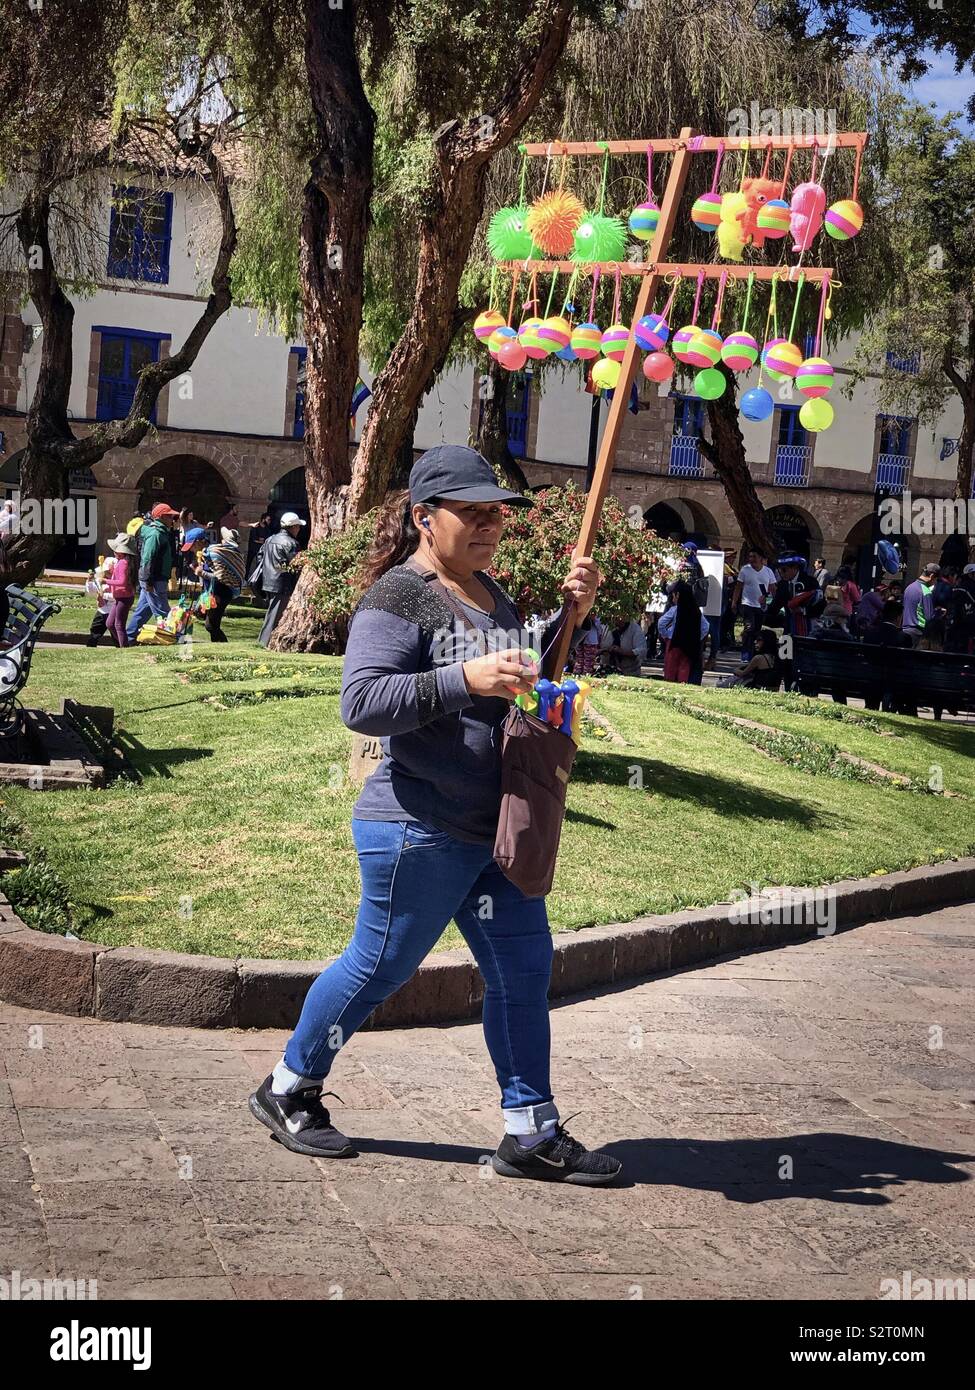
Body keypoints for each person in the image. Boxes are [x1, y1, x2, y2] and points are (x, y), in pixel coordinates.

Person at [249, 444, 621, 1185]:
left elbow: (518, 678)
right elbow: (362, 703)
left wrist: (565, 617)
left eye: (497, 514)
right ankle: (287, 1088)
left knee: (522, 970)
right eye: (473, 512)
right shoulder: (401, 594)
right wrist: (461, 677)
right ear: (424, 517)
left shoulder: (491, 594)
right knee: (379, 966)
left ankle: (529, 1130)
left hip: (496, 829)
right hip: (416, 825)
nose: (490, 525)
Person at [125, 503, 180, 641]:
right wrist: (148, 581)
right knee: (162, 612)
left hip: (154, 579)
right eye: (169, 516)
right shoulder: (156, 534)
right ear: (161, 517)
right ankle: (176, 639)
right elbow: (148, 558)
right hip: (154, 580)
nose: (172, 519)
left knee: (143, 611)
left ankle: (128, 638)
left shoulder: (161, 532)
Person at [258, 511, 305, 647]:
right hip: (282, 585)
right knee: (274, 616)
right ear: (293, 527)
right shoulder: (291, 543)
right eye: (298, 526)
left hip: (269, 582)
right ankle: (263, 643)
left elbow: (260, 557)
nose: (299, 529)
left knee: (272, 613)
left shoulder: (270, 539)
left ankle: (267, 642)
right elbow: (296, 565)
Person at [197, 527, 246, 642]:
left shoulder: (217, 552)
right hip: (223, 592)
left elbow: (219, 577)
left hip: (223, 592)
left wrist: (202, 573)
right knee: (212, 624)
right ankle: (218, 645)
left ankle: (223, 645)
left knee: (211, 625)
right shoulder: (235, 554)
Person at [658, 580, 709, 684]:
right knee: (685, 666)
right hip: (690, 643)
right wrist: (697, 637)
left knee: (671, 666)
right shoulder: (696, 610)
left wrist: (666, 635)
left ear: (678, 595)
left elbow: (661, 622)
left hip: (674, 642)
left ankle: (670, 682)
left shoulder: (675, 609)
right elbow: (705, 626)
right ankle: (683, 683)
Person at [732, 548, 776, 660]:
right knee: (749, 627)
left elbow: (772, 589)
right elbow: (738, 587)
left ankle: (753, 653)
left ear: (761, 558)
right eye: (750, 557)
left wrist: (768, 599)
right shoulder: (745, 570)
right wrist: (734, 602)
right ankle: (745, 654)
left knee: (756, 630)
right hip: (747, 604)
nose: (751, 559)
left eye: (754, 556)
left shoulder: (768, 571)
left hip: (761, 606)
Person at [104, 533, 138, 647]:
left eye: (116, 549)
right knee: (110, 623)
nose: (114, 551)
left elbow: (122, 582)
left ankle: (124, 647)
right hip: (120, 597)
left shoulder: (123, 563)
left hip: (124, 598)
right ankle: (120, 644)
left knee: (119, 625)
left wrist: (105, 581)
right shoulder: (121, 562)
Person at [901, 562, 940, 647]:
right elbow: (929, 617)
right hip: (917, 634)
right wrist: (938, 612)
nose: (935, 582)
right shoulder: (926, 591)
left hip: (904, 631)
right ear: (932, 576)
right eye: (936, 579)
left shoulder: (909, 587)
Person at [84, 557, 116, 647]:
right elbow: (91, 592)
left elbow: (116, 596)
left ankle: (120, 646)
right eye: (105, 572)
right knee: (95, 629)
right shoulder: (99, 581)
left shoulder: (116, 582)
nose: (106, 574)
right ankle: (91, 645)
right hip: (102, 610)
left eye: (109, 572)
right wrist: (89, 582)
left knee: (115, 631)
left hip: (114, 610)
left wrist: (104, 595)